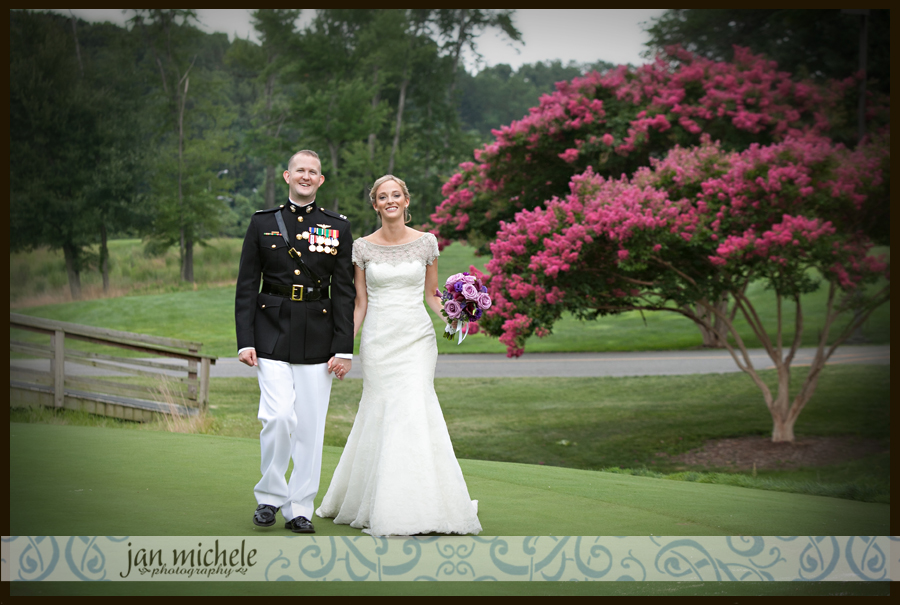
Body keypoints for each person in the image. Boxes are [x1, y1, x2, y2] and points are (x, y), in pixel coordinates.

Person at [315, 175, 482, 537]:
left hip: (417, 340)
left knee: (415, 408)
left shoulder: (426, 242)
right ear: (375, 205)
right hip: (378, 341)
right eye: (382, 197)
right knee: (383, 411)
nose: (390, 201)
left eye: (396, 195)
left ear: (406, 201)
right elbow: (360, 303)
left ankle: (426, 503)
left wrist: (456, 313)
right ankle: (380, 501)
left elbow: (432, 295)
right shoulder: (361, 247)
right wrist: (343, 347)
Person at [235, 150, 354, 533]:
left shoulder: (336, 226)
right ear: (287, 175)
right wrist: (244, 339)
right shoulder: (262, 223)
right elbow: (246, 287)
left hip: (318, 336)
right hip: (270, 330)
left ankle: (299, 507)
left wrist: (344, 346)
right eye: (300, 170)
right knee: (278, 417)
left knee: (310, 428)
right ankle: (269, 498)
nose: (306, 176)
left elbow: (345, 292)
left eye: (313, 172)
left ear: (321, 181)